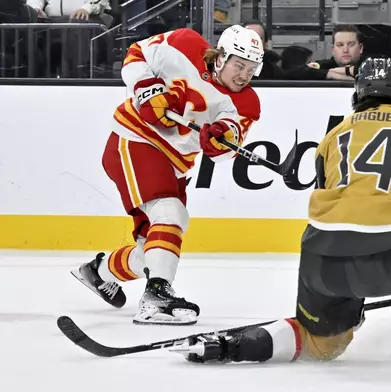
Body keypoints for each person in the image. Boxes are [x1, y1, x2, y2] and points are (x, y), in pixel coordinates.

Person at [171, 57, 391, 363]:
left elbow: (338, 209)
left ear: (357, 94)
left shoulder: (332, 138)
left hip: (321, 260)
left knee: (323, 344)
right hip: (386, 257)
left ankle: (235, 346)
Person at [70, 25, 264, 326]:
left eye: (252, 69)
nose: (244, 75)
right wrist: (147, 88)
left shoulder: (247, 102)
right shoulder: (184, 42)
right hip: (135, 138)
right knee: (171, 212)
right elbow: (136, 55)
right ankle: (156, 297)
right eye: (239, 65)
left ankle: (99, 271)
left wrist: (219, 139)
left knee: (154, 252)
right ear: (221, 57)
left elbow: (227, 148)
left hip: (175, 164)